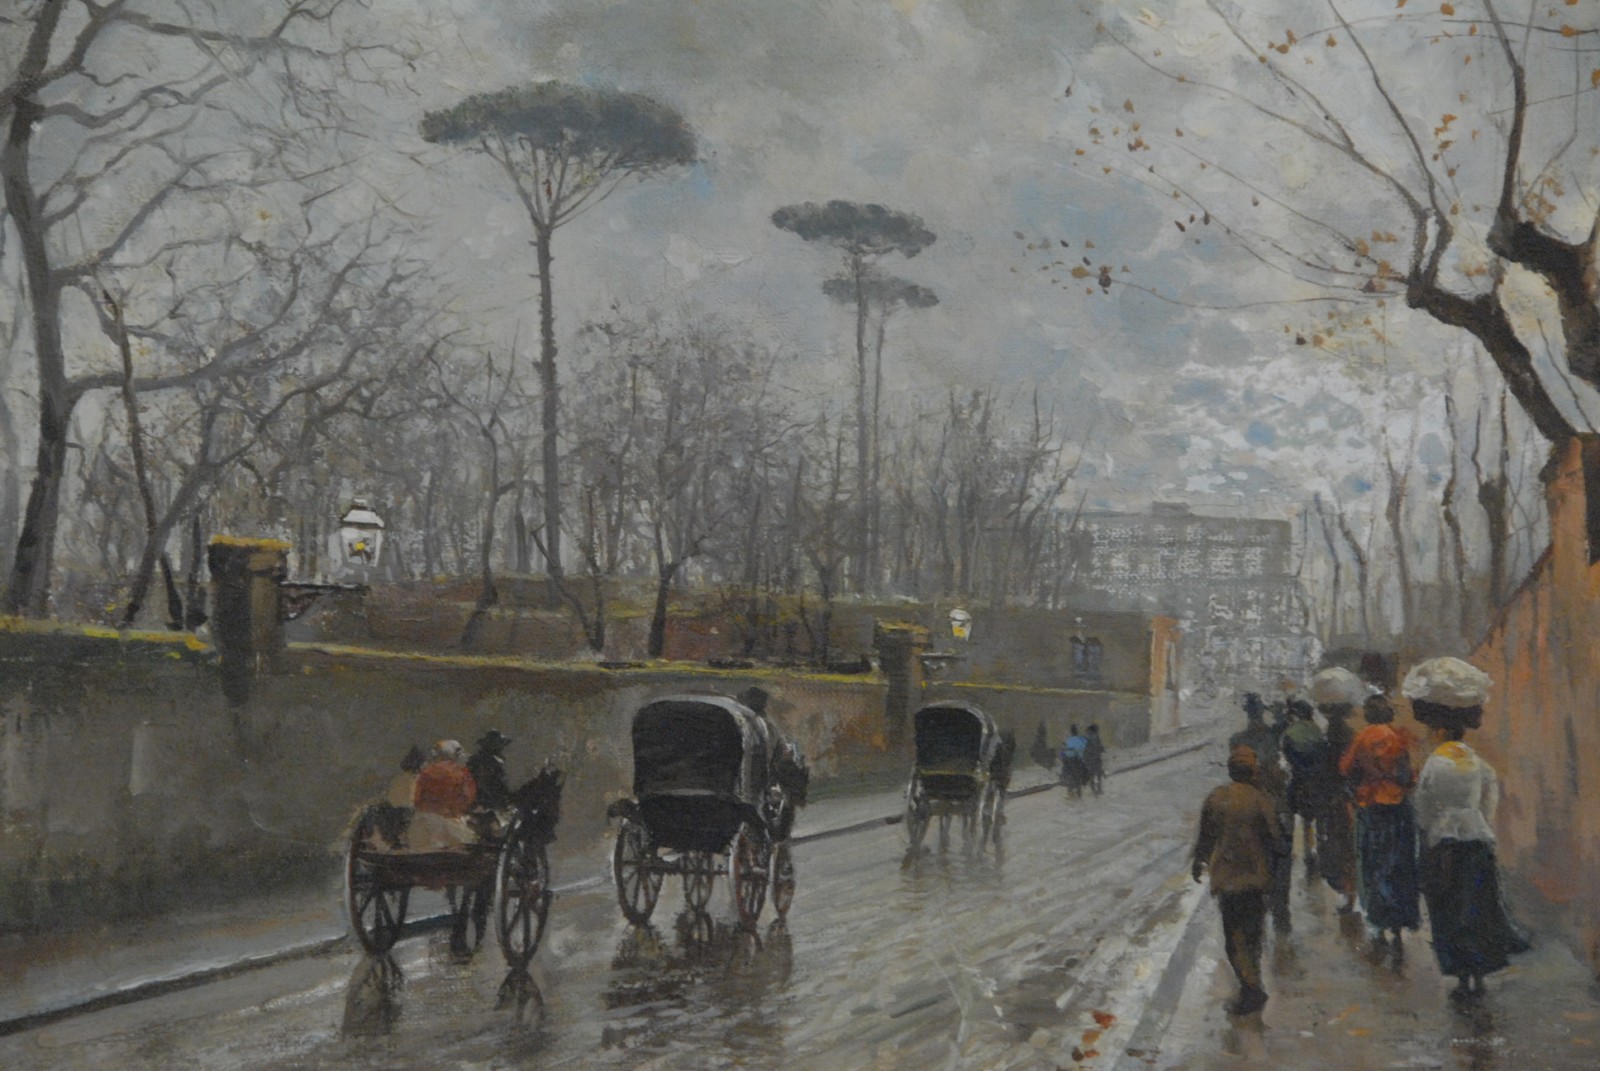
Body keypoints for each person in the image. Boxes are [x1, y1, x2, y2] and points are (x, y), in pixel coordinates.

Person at [1405, 657, 1530, 1000]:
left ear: (1439, 729)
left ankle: (1460, 976)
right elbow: (1489, 804)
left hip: (1443, 845)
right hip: (1478, 843)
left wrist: (1433, 831)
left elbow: (1424, 807)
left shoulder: (1435, 763)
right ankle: (1479, 975)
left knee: (1448, 910)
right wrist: (1477, 825)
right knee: (1477, 910)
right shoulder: (1479, 763)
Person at [1191, 744, 1284, 1016]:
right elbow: (1275, 838)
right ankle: (1253, 983)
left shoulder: (1217, 797)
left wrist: (1199, 861)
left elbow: (1205, 837)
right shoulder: (1260, 799)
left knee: (1234, 935)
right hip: (1255, 878)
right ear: (1253, 772)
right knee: (1253, 933)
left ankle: (1249, 986)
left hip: (1228, 878)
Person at [1339, 692, 1421, 950]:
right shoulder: (1398, 738)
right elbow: (1407, 777)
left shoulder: (1361, 738)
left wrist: (1359, 791)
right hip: (1397, 808)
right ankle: (1398, 925)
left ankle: (1379, 924)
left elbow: (1346, 769)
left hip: (1370, 808)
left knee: (1372, 866)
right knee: (1398, 865)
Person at [1230, 692, 1293, 932]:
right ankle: (1280, 915)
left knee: (1250, 859)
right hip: (1274, 803)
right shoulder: (1273, 734)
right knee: (1280, 857)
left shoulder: (1237, 740)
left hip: (1248, 806)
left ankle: (1256, 916)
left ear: (1246, 712)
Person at [1310, 667, 1362, 913]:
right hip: (1347, 799)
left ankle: (1346, 891)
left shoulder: (1324, 739)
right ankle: (1350, 892)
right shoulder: (1351, 736)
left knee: (1334, 846)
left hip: (1331, 800)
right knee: (1347, 846)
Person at [1279, 697, 1327, 878]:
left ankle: (1297, 849)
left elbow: (1286, 758)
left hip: (1298, 780)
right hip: (1317, 781)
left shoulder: (1289, 733)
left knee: (1294, 815)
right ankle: (1315, 851)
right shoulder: (1318, 732)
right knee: (1316, 819)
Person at [410, 740, 478, 851]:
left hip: (426, 824)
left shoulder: (425, 773)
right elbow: (468, 799)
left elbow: (417, 801)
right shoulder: (463, 773)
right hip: (453, 826)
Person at [466, 729, 513, 813]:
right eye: (502, 746)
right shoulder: (491, 763)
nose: (503, 749)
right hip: (481, 803)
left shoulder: (476, 759)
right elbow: (495, 786)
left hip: (476, 801)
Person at [1083, 724, 1106, 792]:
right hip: (1096, 757)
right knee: (1098, 773)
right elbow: (1100, 746)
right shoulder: (1096, 736)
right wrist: (1102, 749)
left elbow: (1084, 747)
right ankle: (1099, 788)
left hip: (1087, 758)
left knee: (1091, 773)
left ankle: (1092, 787)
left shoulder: (1085, 737)